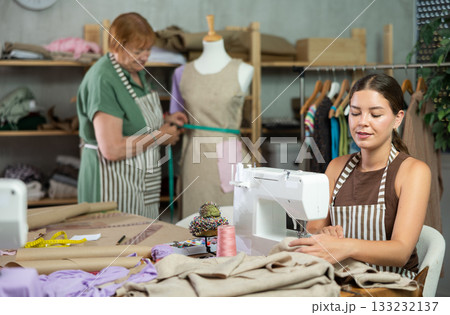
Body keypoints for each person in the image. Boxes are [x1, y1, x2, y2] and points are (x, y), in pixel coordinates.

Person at [289, 73, 431, 279]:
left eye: (375, 115)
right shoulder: (336, 167)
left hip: (391, 285)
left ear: (397, 118)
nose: (362, 122)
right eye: (355, 113)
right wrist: (325, 234)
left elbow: (401, 252)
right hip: (343, 279)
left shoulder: (413, 171)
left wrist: (345, 246)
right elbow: (313, 229)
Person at [77, 12, 187, 218]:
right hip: (110, 183)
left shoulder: (136, 71)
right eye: (138, 50)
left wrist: (164, 121)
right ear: (117, 46)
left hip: (138, 183)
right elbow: (112, 149)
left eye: (148, 49)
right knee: (115, 247)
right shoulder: (103, 79)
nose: (145, 56)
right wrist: (161, 136)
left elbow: (131, 118)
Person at [169, 23, 254, 218]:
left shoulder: (243, 69)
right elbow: (176, 116)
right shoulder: (181, 73)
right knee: (193, 224)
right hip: (195, 157)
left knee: (231, 221)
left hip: (230, 153)